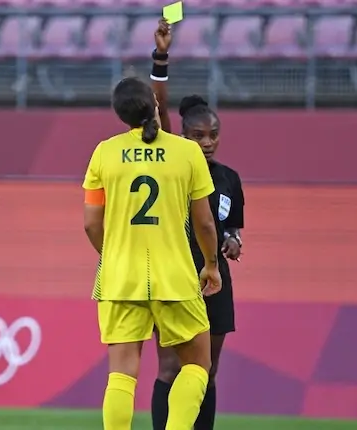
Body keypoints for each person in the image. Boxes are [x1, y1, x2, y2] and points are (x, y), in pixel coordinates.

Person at [82, 76, 222, 430]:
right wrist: (211, 265)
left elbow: (90, 223)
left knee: (121, 374)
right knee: (197, 365)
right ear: (154, 106)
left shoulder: (104, 152)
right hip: (174, 276)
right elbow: (205, 223)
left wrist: (112, 254)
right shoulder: (187, 152)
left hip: (120, 278)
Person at [148, 20, 246, 430]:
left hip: (215, 279)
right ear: (182, 134)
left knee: (207, 368)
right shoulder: (174, 162)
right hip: (175, 273)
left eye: (213, 135)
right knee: (171, 366)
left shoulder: (229, 178)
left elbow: (232, 229)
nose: (207, 142)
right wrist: (161, 57)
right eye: (198, 135)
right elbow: (157, 108)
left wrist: (233, 243)